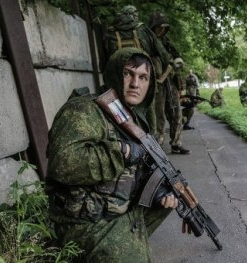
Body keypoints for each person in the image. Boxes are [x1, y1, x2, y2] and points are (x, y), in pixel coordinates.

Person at [46, 48, 178, 262]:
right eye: (128, 74)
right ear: (116, 73)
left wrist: (159, 191)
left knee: (166, 203)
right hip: (84, 222)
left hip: (116, 208)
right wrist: (123, 152)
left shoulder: (136, 119)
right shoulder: (84, 110)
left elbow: (140, 170)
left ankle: (129, 241)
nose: (135, 84)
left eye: (143, 77)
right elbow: (62, 162)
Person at [104, 5, 173, 136]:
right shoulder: (144, 30)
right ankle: (151, 144)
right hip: (143, 82)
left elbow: (105, 64)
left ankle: (124, 145)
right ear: (135, 16)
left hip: (117, 84)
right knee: (149, 116)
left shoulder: (109, 33)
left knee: (120, 119)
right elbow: (165, 57)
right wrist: (159, 77)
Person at [149, 11, 190, 154]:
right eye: (159, 27)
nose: (161, 30)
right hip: (156, 84)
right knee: (158, 115)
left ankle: (176, 143)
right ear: (153, 27)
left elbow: (178, 59)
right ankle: (157, 145)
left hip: (169, 82)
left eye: (164, 27)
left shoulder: (167, 42)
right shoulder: (147, 41)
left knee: (176, 113)